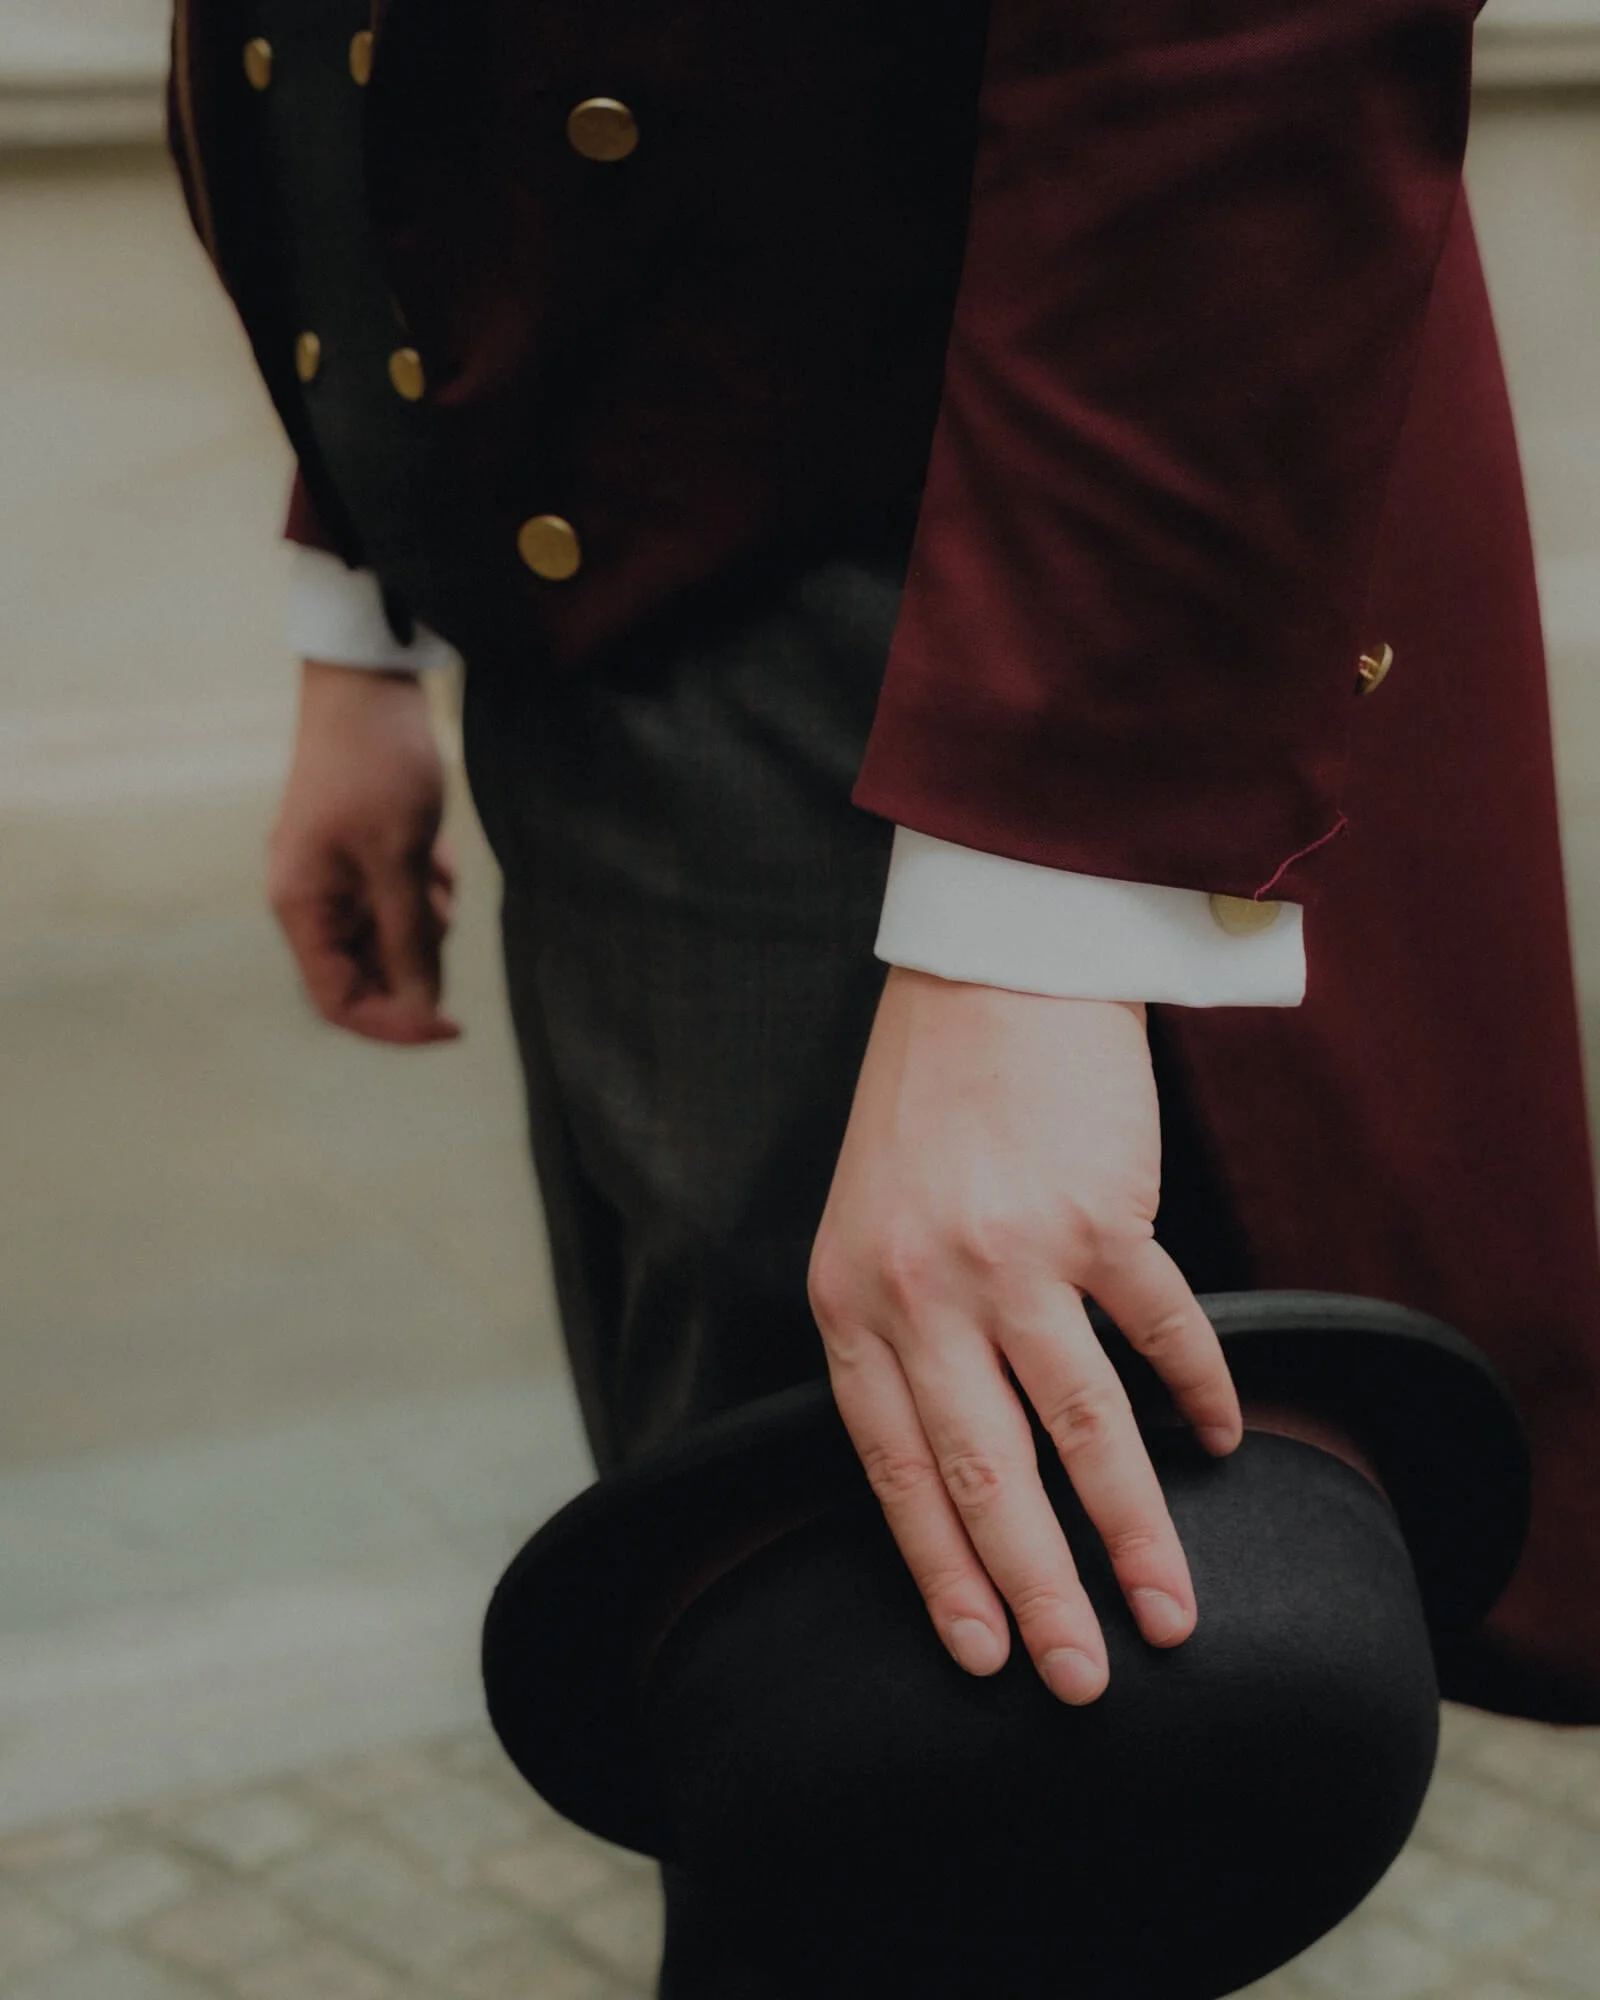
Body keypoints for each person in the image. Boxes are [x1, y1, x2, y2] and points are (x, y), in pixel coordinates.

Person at [169, 0, 1600, 1773]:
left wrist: (1039, 910)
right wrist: (360, 592)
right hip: (580, 566)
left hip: (942, 588)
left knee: (922, 1763)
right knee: (756, 1650)